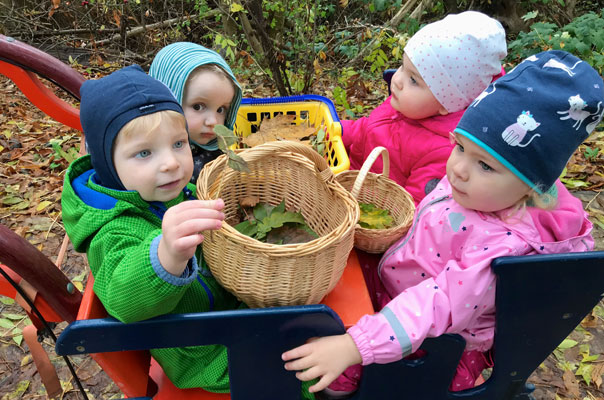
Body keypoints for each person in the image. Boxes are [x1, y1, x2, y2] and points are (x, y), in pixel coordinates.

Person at [283, 50, 602, 398]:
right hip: (401, 284)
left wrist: (354, 346)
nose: (459, 169)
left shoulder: (500, 247)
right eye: (460, 147)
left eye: (485, 166)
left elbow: (440, 303)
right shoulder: (485, 191)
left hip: (441, 344)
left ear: (531, 185)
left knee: (336, 371)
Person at [61, 65, 240, 392]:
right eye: (144, 152)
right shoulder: (113, 229)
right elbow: (123, 296)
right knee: (306, 364)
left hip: (227, 312)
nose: (171, 163)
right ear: (107, 163)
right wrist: (165, 253)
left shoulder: (166, 191)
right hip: (202, 351)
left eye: (178, 143)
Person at [342, 11, 507, 204]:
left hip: (366, 208)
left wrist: (357, 203)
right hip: (347, 180)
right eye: (402, 67)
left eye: (413, 80)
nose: (397, 80)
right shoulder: (406, 104)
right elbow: (371, 127)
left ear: (447, 103)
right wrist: (343, 130)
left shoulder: (442, 151)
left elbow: (408, 206)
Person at [149, 42, 243, 183]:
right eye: (198, 107)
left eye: (220, 110)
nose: (213, 122)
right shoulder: (147, 154)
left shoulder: (218, 156)